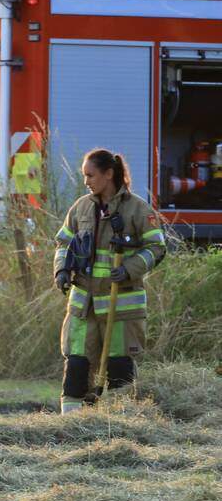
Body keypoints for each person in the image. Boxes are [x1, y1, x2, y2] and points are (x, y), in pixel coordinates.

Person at [52, 149, 166, 414]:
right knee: (77, 364)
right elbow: (63, 243)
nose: (86, 181)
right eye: (84, 176)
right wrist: (61, 270)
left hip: (121, 308)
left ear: (109, 174)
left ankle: (120, 424)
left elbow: (157, 248)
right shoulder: (81, 207)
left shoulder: (138, 209)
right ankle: (70, 426)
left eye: (90, 175)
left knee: (119, 368)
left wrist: (128, 269)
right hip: (83, 306)